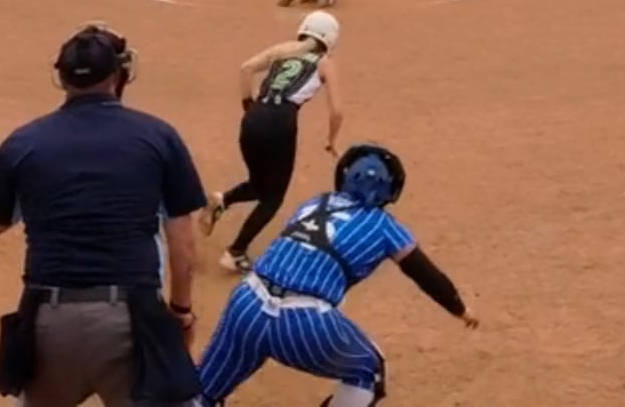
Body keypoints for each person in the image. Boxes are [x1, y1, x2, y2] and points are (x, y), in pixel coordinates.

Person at [0, 25, 205, 407]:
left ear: (61, 77)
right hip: (132, 318)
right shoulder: (158, 137)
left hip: (49, 319)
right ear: (117, 75)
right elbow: (183, 243)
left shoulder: (24, 143)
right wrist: (181, 312)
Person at [196, 144, 480, 406]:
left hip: (246, 302)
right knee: (369, 371)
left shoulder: (316, 203)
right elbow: (424, 273)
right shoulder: (384, 225)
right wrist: (460, 309)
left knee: (203, 392)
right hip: (303, 322)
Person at [204, 12, 346, 274]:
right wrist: (331, 141)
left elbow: (246, 69)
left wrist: (249, 106)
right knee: (273, 197)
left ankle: (222, 200)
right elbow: (337, 112)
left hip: (253, 118)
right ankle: (235, 252)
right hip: (280, 124)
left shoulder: (284, 50)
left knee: (260, 184)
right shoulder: (324, 62)